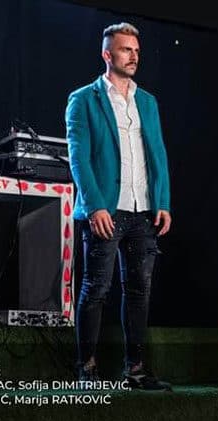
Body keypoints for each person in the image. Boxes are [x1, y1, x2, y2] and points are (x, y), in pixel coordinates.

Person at [65, 22, 172, 390]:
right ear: (107, 54)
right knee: (96, 289)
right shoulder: (84, 99)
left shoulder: (148, 101)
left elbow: (158, 154)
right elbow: (79, 158)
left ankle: (136, 370)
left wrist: (163, 201)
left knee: (139, 291)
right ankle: (87, 369)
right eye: (126, 50)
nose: (133, 56)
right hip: (106, 211)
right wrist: (95, 205)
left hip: (143, 210)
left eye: (136, 51)